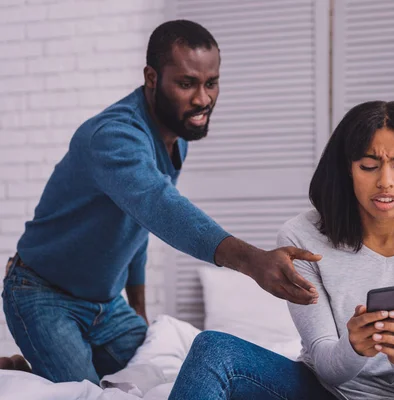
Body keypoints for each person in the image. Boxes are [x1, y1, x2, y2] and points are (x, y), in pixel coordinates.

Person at [1, 20, 320, 384]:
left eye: (211, 83)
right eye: (186, 83)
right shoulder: (113, 137)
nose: (203, 99)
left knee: (167, 379)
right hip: (43, 294)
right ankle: (27, 375)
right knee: (84, 393)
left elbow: (139, 223)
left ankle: (33, 369)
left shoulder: (175, 135)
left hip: (105, 306)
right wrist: (253, 261)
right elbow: (158, 207)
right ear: (151, 77)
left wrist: (138, 310)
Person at [168, 100, 394, 400]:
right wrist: (354, 348)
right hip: (324, 392)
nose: (385, 182)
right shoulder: (302, 237)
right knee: (214, 350)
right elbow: (326, 366)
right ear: (348, 169)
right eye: (368, 166)